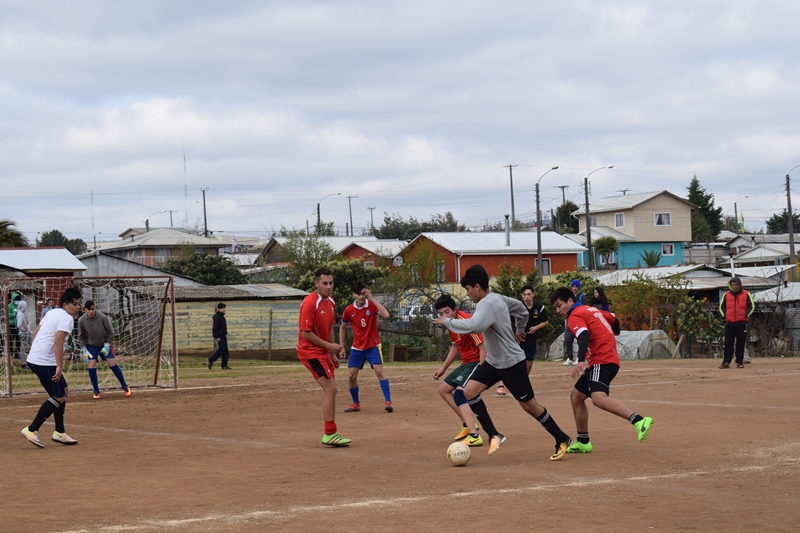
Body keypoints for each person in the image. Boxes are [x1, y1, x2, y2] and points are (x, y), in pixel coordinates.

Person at [433, 265, 572, 461]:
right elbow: (522, 311)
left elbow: (474, 325)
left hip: (512, 363)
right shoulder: (499, 297)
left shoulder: (486, 304)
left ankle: (562, 438)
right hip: (494, 361)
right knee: (468, 392)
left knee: (529, 405)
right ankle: (494, 435)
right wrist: (520, 329)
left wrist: (447, 322)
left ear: (477, 286)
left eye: (468, 289)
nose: (467, 293)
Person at [549, 287, 653, 454]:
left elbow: (584, 335)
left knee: (598, 398)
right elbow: (613, 318)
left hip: (601, 360)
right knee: (576, 397)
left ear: (570, 301)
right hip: (608, 358)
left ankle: (639, 421)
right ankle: (583, 441)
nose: (557, 310)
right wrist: (615, 333)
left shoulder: (575, 316)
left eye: (559, 305)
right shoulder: (591, 309)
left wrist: (580, 360)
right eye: (555, 307)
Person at [20, 286, 83, 448]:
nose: (77, 307)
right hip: (44, 362)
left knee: (64, 391)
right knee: (58, 396)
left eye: (78, 304)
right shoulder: (66, 318)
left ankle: (59, 432)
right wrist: (59, 366)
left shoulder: (52, 312)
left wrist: (34, 352)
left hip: (37, 359)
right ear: (65, 305)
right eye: (74, 304)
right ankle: (31, 429)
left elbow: (36, 333)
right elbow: (58, 342)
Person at [297, 267, 350, 447]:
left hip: (322, 351)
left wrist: (331, 353)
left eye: (331, 283)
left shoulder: (331, 302)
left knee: (331, 388)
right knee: (331, 389)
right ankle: (329, 433)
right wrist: (328, 347)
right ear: (316, 283)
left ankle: (331, 432)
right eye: (324, 283)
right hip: (309, 351)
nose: (329, 286)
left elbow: (329, 329)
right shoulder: (310, 302)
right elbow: (306, 333)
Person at [433, 294, 493, 447]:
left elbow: (482, 347)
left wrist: (481, 372)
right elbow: (455, 347)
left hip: (475, 363)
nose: (444, 316)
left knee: (460, 394)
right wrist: (443, 368)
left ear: (455, 309)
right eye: (441, 314)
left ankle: (474, 435)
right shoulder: (451, 324)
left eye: (447, 312)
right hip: (466, 363)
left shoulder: (466, 322)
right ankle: (467, 424)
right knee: (443, 389)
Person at [339, 281, 393, 413]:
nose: (362, 297)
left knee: (379, 371)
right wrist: (341, 346)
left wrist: (373, 299)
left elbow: (386, 315)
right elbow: (343, 327)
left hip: (373, 345)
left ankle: (388, 402)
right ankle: (355, 403)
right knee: (351, 376)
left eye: (363, 294)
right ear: (354, 295)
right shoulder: (349, 310)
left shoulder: (372, 306)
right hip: (357, 347)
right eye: (359, 294)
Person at [78, 300, 131, 399]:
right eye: (89, 310)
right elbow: (81, 336)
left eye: (93, 309)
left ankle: (124, 385)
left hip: (104, 344)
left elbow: (111, 332)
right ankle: (96, 391)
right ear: (84, 310)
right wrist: (84, 349)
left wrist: (107, 344)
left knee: (112, 364)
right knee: (91, 366)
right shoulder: (81, 320)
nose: (91, 311)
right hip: (91, 346)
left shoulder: (102, 317)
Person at [718, 276, 755, 369]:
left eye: (736, 285)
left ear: (739, 285)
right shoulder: (726, 295)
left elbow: (752, 306)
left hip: (742, 323)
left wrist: (745, 314)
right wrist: (725, 315)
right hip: (729, 323)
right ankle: (726, 362)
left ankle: (739, 362)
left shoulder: (746, 294)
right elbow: (721, 307)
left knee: (740, 344)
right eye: (733, 285)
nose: (734, 286)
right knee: (728, 343)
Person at [519, 284, 549, 374]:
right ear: (522, 296)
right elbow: (510, 321)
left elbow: (545, 321)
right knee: (516, 360)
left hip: (532, 339)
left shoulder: (539, 307)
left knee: (529, 360)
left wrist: (536, 328)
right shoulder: (518, 307)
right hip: (519, 338)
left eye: (529, 294)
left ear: (533, 294)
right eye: (524, 295)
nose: (527, 297)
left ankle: (525, 379)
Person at [563, 279, 586, 366]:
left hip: (579, 320)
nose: (574, 288)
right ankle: (569, 357)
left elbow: (583, 308)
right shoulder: (569, 297)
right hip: (570, 320)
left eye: (576, 286)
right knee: (568, 339)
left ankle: (579, 357)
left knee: (580, 339)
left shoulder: (581, 297)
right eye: (573, 286)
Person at [207, 303, 231, 370]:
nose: (224, 310)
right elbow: (215, 328)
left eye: (224, 308)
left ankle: (224, 365)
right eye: (223, 308)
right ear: (219, 309)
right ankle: (211, 360)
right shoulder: (217, 317)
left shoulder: (221, 317)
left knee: (225, 350)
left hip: (223, 335)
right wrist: (217, 336)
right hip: (220, 336)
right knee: (221, 349)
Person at [16, 300, 31, 370]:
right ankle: (23, 363)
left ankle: (30, 361)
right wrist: (23, 329)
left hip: (27, 332)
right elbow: (18, 325)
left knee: (33, 345)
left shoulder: (22, 313)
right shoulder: (20, 314)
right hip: (23, 333)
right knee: (23, 347)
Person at [8, 291, 21, 361]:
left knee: (18, 340)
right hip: (11, 325)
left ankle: (17, 353)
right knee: (11, 340)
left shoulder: (19, 305)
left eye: (18, 299)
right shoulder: (9, 306)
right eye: (16, 299)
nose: (17, 301)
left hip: (18, 325)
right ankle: (10, 354)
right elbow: (8, 316)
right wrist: (14, 313)